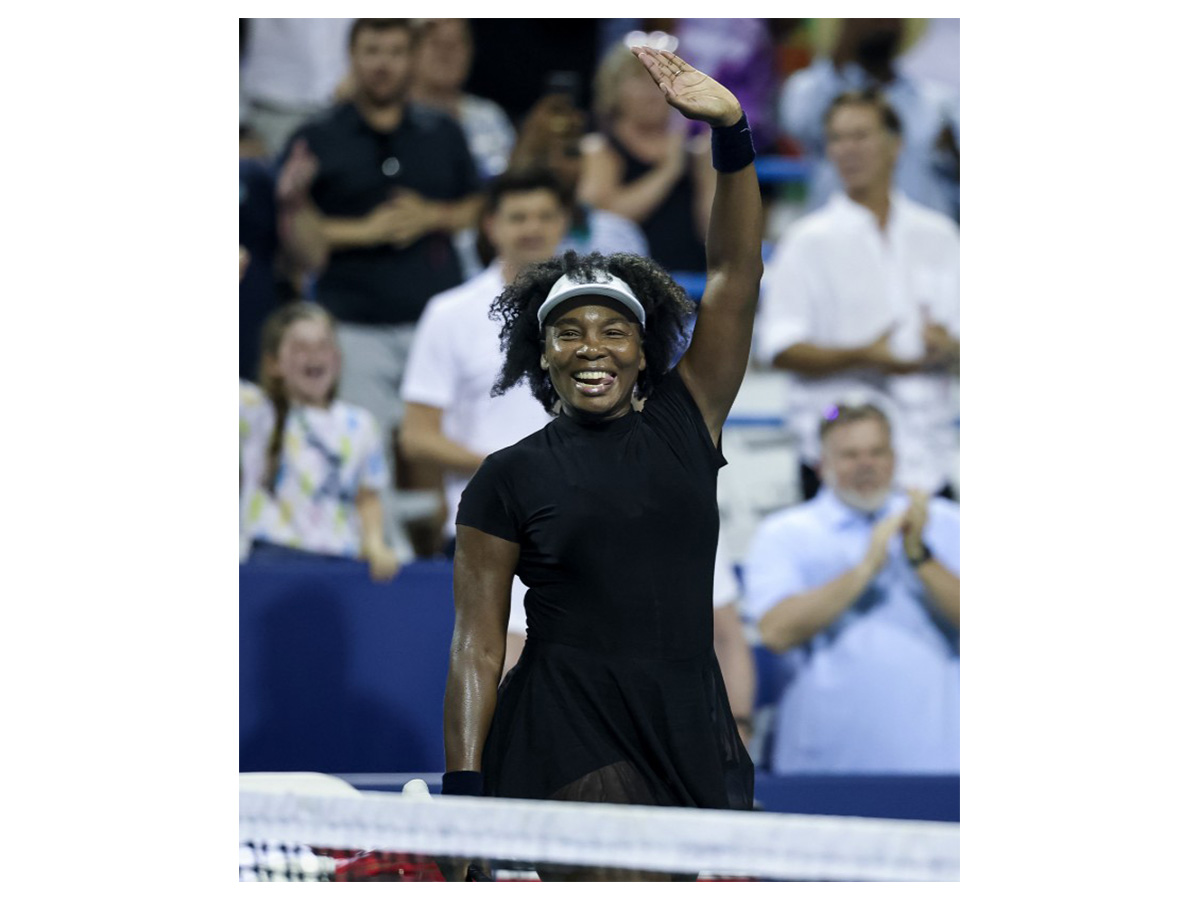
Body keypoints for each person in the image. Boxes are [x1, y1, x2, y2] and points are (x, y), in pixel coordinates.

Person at [441, 46, 762, 882]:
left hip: (691, 718)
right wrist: (465, 798)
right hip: (567, 722)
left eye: (613, 329)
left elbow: (735, 272)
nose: (592, 347)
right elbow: (476, 648)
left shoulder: (690, 419)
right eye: (568, 332)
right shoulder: (504, 477)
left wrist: (732, 135)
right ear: (538, 355)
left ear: (644, 347)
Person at [277, 19, 485, 530]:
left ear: (413, 57)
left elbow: (481, 206)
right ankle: (378, 567)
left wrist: (431, 217)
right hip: (355, 325)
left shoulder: (443, 130)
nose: (383, 63)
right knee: (363, 459)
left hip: (435, 325)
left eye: (395, 50)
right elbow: (304, 250)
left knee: (445, 456)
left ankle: (448, 561)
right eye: (372, 50)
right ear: (352, 55)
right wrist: (319, 211)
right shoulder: (316, 136)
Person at [756, 89, 960, 501]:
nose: (847, 150)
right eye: (836, 138)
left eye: (860, 135)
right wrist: (866, 355)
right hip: (835, 460)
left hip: (929, 457)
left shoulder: (938, 235)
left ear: (895, 145)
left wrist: (949, 349)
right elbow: (778, 347)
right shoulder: (805, 242)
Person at [741, 403, 959, 774]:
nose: (866, 464)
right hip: (824, 765)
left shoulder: (945, 522)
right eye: (850, 455)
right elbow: (776, 633)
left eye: (877, 452)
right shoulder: (785, 533)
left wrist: (920, 556)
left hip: (940, 763)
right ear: (821, 464)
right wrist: (866, 569)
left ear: (894, 458)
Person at [397, 168, 568, 555]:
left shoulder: (595, 313)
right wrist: (508, 470)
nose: (532, 229)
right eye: (518, 217)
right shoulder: (449, 313)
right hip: (485, 523)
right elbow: (416, 437)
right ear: (491, 226)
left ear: (563, 223)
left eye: (544, 217)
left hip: (579, 523)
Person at [240, 302, 400, 583]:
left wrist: (375, 543)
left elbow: (367, 497)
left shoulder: (360, 423)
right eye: (300, 347)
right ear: (273, 363)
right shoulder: (257, 411)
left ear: (337, 358)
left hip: (341, 558)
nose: (314, 355)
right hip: (273, 555)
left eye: (323, 346)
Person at [776, 18, 959, 220]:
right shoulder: (810, 90)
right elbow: (797, 121)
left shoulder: (939, 104)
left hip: (922, 241)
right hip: (838, 239)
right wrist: (840, 50)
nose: (882, 20)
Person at [577, 40, 716, 273]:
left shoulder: (698, 151)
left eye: (661, 79)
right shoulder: (599, 150)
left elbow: (716, 237)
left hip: (692, 282)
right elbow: (600, 225)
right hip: (621, 281)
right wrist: (668, 171)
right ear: (614, 88)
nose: (652, 90)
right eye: (639, 79)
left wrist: (709, 176)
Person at [506, 92, 648, 259]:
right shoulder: (501, 230)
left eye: (570, 152)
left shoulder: (618, 234)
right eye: (544, 151)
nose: (556, 163)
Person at [410, 19, 517, 182]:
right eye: (436, 43)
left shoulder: (489, 115)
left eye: (455, 44)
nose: (446, 54)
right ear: (413, 51)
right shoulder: (395, 117)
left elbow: (513, 183)